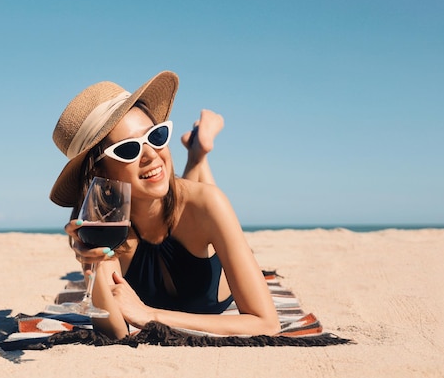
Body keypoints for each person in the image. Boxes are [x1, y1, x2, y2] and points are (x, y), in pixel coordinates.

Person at [50, 71, 279, 339]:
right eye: (128, 149)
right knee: (168, 189)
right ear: (100, 173)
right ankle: (196, 153)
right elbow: (114, 332)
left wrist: (151, 315)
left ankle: (198, 154)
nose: (150, 154)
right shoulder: (103, 224)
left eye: (156, 136)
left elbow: (266, 323)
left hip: (201, 239)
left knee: (196, 195)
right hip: (161, 205)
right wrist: (95, 268)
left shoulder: (208, 202)